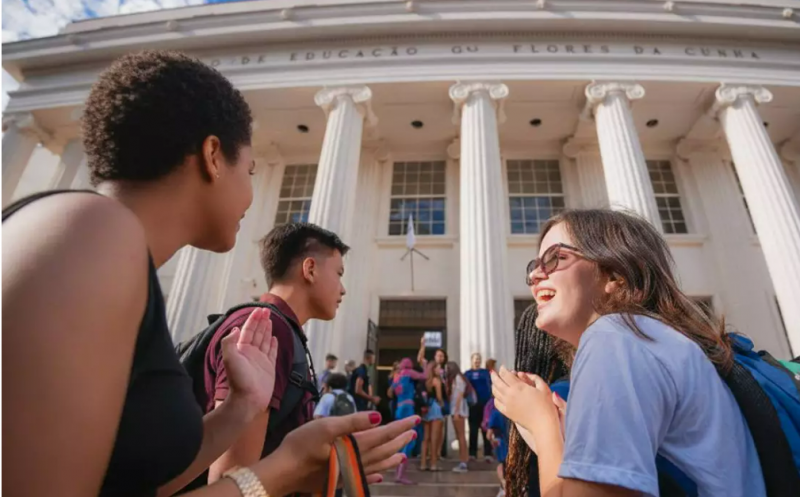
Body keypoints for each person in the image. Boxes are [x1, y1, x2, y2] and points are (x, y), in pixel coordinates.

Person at [2, 49, 412, 496]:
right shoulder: (90, 230)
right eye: (251, 170)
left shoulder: (114, 254)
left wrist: (238, 410)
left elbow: (137, 484)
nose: (253, 195)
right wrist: (287, 467)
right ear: (214, 155)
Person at [493, 209, 765, 497]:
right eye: (534, 265)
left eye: (555, 258)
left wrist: (542, 423)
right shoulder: (641, 338)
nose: (535, 275)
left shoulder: (615, 338)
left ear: (615, 274)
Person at [206, 222, 349, 482]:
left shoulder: (281, 330)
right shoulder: (268, 329)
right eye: (339, 273)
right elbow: (230, 481)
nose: (343, 288)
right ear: (310, 269)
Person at [390, 358, 427, 484]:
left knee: (400, 440)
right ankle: (401, 475)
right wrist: (425, 365)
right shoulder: (409, 373)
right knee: (409, 440)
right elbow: (424, 376)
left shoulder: (396, 376)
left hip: (399, 408)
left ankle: (397, 473)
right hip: (408, 408)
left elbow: (392, 393)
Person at [465, 352, 493, 461]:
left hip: (485, 405)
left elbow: (491, 385)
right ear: (471, 360)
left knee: (485, 428)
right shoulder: (467, 374)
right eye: (475, 359)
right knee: (473, 429)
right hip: (473, 406)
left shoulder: (485, 372)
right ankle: (472, 454)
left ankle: (488, 454)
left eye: (478, 359)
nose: (477, 361)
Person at [420, 361, 445, 472]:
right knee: (434, 439)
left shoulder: (425, 381)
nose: (440, 370)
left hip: (426, 409)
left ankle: (423, 463)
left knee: (426, 439)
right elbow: (439, 397)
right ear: (434, 369)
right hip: (435, 408)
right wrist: (443, 404)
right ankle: (433, 464)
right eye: (438, 368)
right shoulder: (437, 381)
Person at [446, 361, 470, 473]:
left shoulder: (459, 378)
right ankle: (463, 461)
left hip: (458, 411)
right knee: (459, 436)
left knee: (461, 436)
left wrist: (456, 411)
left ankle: (463, 462)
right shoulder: (454, 379)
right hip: (456, 410)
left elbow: (460, 395)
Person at [487, 404, 510, 497]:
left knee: (501, 465)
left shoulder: (495, 413)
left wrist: (492, 441)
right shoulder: (514, 413)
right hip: (514, 446)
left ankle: (504, 485)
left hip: (502, 444)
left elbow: (489, 435)